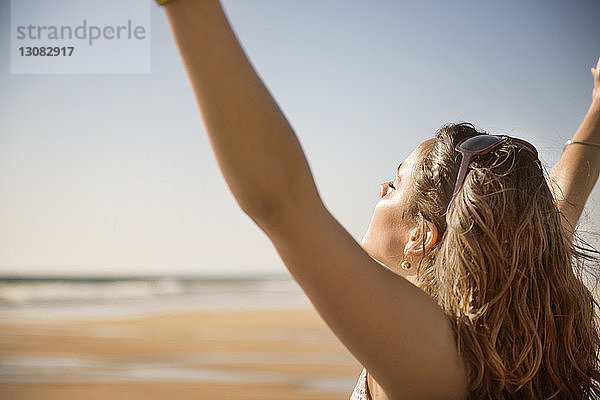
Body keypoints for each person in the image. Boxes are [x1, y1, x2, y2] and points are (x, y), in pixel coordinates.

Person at [157, 0, 600, 398]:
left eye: (396, 181)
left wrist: (190, 9)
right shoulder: (513, 323)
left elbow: (283, 203)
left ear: (421, 237)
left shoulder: (428, 351)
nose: (381, 189)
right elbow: (567, 190)